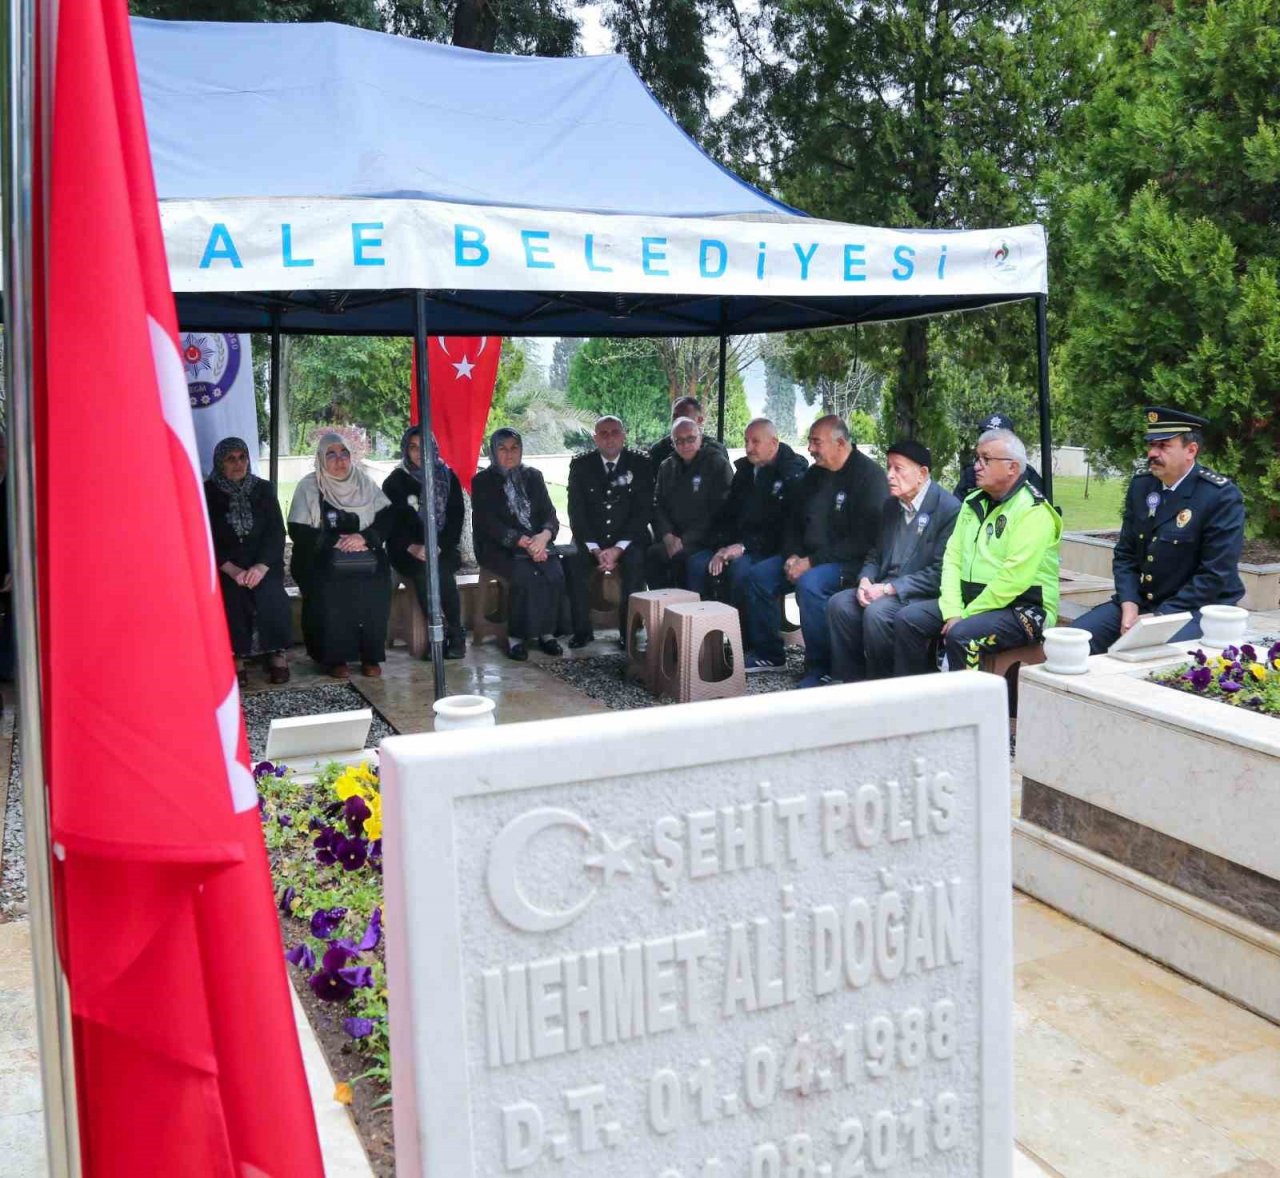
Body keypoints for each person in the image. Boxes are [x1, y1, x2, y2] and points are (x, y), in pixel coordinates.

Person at [1073, 406, 1245, 654]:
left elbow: (1214, 575)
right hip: (1144, 603)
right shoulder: (1143, 487)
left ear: (1191, 450)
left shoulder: (1219, 496)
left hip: (1197, 609)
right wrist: (1129, 602)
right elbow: (1126, 554)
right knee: (1075, 642)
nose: (1152, 453)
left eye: (1163, 446)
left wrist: (1162, 616)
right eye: (1151, 445)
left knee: (1146, 655)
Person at [895, 427, 1061, 675]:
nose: (977, 466)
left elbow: (1013, 579)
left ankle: (968, 712)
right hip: (970, 603)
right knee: (908, 619)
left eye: (986, 459)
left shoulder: (1033, 510)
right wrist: (952, 611)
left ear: (1012, 468)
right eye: (977, 458)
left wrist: (965, 616)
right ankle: (919, 699)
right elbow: (952, 559)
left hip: (1024, 609)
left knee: (963, 635)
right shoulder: (972, 503)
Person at [747, 415, 888, 687]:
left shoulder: (869, 477)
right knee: (759, 576)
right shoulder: (815, 474)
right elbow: (793, 520)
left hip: (851, 563)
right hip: (807, 557)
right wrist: (791, 555)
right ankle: (769, 654)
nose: (810, 448)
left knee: (811, 585)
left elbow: (864, 540)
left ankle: (822, 667)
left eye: (816, 442)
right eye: (810, 441)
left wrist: (811, 562)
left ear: (840, 443)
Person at [827, 440, 961, 681]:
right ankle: (851, 683)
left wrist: (889, 588)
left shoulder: (948, 509)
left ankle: (885, 685)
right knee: (840, 604)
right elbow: (875, 553)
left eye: (898, 469)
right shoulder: (891, 506)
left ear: (922, 474)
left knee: (878, 613)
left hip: (921, 594)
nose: (889, 475)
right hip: (884, 587)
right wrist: (865, 580)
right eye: (888, 467)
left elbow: (941, 571)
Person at [688, 417, 807, 669]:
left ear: (774, 443)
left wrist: (742, 548)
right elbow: (728, 514)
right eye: (746, 441)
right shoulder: (745, 470)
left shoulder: (792, 473)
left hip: (775, 548)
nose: (748, 447)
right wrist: (719, 547)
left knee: (744, 571)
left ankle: (760, 647)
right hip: (740, 543)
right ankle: (705, 641)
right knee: (697, 563)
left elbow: (784, 527)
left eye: (755, 441)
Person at [287, 433, 393, 679]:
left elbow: (387, 517)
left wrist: (364, 537)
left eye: (343, 453)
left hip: (363, 552)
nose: (339, 460)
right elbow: (297, 530)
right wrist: (337, 542)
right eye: (331, 454)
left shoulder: (364, 482)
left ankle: (370, 655)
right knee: (328, 588)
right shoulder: (309, 486)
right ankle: (333, 657)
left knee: (377, 584)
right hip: (320, 555)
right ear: (321, 459)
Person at [471, 428, 567, 661]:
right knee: (525, 574)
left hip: (535, 543)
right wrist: (522, 542)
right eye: (502, 449)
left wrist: (543, 537)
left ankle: (546, 634)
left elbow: (549, 513)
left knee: (555, 572)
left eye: (514, 448)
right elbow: (488, 523)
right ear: (493, 451)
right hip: (497, 546)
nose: (509, 454)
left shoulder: (533, 476)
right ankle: (517, 638)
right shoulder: (483, 481)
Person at [205, 437, 293, 685]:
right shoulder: (208, 492)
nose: (238, 463)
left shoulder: (263, 489)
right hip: (225, 566)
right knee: (231, 596)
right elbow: (206, 535)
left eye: (242, 457)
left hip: (263, 564)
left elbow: (276, 532)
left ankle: (276, 652)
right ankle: (235, 656)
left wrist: (261, 566)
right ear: (219, 463)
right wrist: (231, 569)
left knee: (272, 593)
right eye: (230, 459)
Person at [565, 415, 653, 646]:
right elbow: (576, 511)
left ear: (623, 437)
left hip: (628, 539)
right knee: (573, 561)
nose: (609, 438)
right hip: (591, 539)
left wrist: (618, 548)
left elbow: (642, 512)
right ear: (595, 439)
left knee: (636, 563)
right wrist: (594, 549)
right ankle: (582, 631)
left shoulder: (641, 463)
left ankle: (629, 632)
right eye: (603, 433)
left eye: (615, 432)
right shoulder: (581, 465)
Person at [382, 426, 466, 660]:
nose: (420, 452)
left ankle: (454, 633)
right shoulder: (395, 482)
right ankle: (437, 635)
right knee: (424, 570)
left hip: (442, 547)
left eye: (425, 447)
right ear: (406, 450)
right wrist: (412, 546)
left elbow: (455, 519)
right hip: (405, 550)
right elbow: (391, 524)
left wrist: (437, 546)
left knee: (440, 568)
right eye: (413, 447)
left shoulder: (448, 477)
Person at [647, 417, 733, 590]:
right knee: (653, 555)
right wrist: (667, 535)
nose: (685, 445)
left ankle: (689, 614)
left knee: (683, 561)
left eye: (690, 439)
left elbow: (721, 510)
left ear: (700, 437)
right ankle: (661, 610)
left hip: (706, 539)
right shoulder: (666, 467)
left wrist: (685, 540)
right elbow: (658, 505)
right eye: (679, 441)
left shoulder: (716, 463)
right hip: (673, 538)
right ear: (672, 443)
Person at [953, 411, 1044, 501]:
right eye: (986, 436)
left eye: (998, 438)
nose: (990, 441)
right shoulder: (971, 474)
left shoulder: (1027, 475)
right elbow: (957, 507)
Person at [647, 396, 730, 469]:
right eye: (675, 417)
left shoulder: (715, 450)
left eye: (684, 417)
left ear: (700, 420)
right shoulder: (659, 450)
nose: (679, 422)